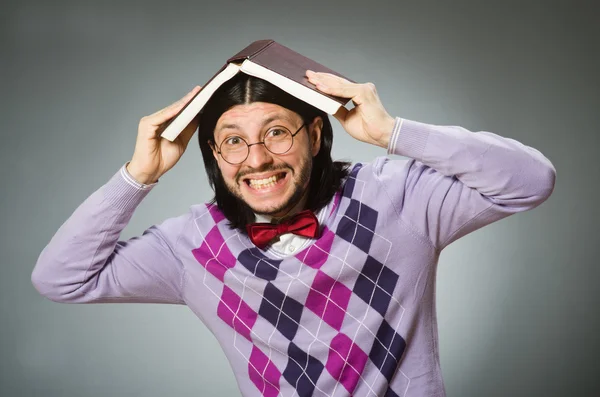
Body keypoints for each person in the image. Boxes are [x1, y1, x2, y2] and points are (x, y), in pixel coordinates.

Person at [31, 69, 556, 397]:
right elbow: (60, 279)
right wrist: (137, 176)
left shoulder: (397, 197)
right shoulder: (191, 245)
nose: (256, 158)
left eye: (276, 133)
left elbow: (530, 181)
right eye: (232, 142)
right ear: (214, 155)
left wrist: (389, 132)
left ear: (316, 133)